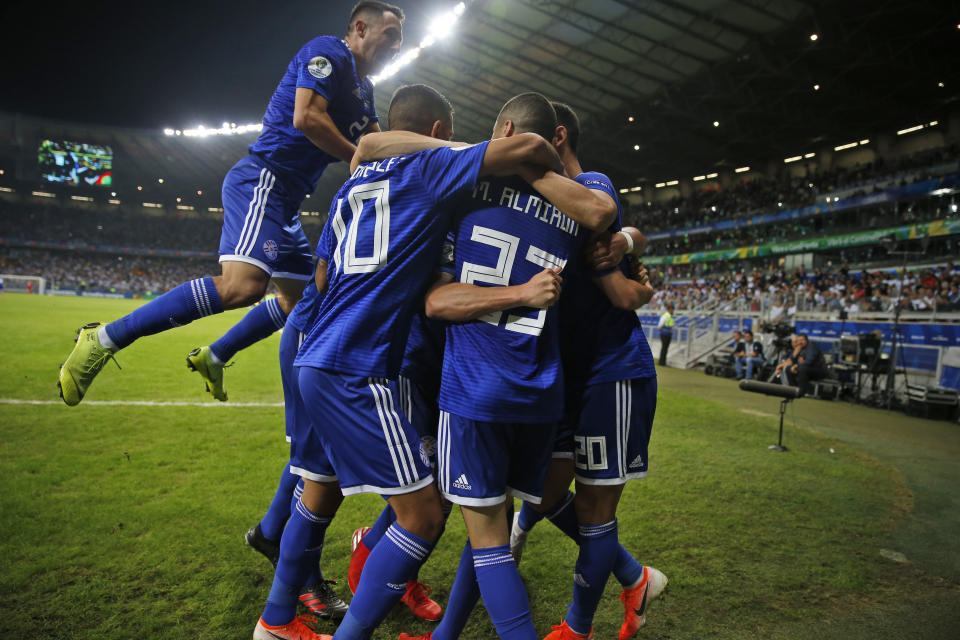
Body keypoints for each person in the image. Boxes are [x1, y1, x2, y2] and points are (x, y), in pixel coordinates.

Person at [254, 85, 571, 640]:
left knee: (319, 483)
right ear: (440, 135)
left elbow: (323, 278)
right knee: (425, 514)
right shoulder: (431, 170)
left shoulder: (353, 184)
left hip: (314, 350)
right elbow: (534, 149)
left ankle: (277, 617)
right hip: (360, 366)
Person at [58, 0, 403, 406]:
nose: (397, 47)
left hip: (286, 202)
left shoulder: (364, 91)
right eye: (391, 36)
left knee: (306, 302)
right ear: (360, 28)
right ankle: (104, 338)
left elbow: (380, 147)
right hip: (263, 180)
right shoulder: (328, 52)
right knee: (243, 287)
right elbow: (306, 117)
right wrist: (356, 158)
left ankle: (217, 355)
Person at [507, 102, 666, 640]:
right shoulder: (546, 203)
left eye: (532, 141)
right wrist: (634, 239)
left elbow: (622, 292)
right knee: (547, 493)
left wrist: (629, 248)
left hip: (610, 370)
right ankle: (632, 574)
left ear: (556, 138)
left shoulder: (590, 186)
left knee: (596, 508)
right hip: (567, 376)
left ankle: (577, 628)